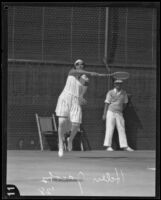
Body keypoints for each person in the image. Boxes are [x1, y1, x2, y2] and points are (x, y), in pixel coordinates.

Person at [55, 59, 106, 157]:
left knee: (76, 124)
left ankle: (70, 140)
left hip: (75, 100)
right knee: (61, 122)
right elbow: (79, 72)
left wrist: (81, 97)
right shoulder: (72, 72)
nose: (80, 65)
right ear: (75, 65)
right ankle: (61, 145)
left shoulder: (85, 79)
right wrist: (91, 73)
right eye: (78, 64)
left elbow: (82, 92)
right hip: (65, 98)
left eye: (82, 64)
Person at [102, 79, 134, 151]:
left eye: (120, 84)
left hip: (119, 113)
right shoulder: (110, 92)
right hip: (110, 112)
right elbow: (107, 103)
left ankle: (124, 146)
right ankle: (108, 146)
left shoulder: (124, 93)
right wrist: (104, 114)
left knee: (121, 129)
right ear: (114, 84)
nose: (118, 85)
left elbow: (125, 103)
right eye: (117, 83)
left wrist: (121, 110)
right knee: (109, 128)